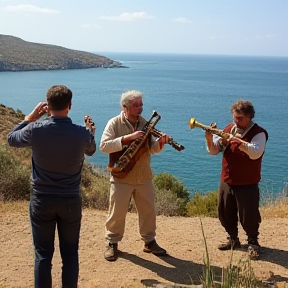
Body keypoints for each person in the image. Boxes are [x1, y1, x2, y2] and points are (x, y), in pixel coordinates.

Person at [7, 85, 96, 288]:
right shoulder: (81, 133)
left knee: (43, 255)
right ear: (69, 105)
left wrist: (30, 116)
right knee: (70, 254)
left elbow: (12, 139)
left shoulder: (35, 130)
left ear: (47, 107)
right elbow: (90, 150)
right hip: (70, 201)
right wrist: (90, 132)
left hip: (42, 200)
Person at [100, 90, 170, 262]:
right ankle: (112, 243)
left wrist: (160, 143)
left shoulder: (145, 123)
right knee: (117, 212)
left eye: (141, 105)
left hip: (144, 176)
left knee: (148, 211)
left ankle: (149, 242)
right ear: (125, 107)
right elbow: (104, 146)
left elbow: (152, 148)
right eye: (136, 105)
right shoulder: (114, 123)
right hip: (122, 176)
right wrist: (126, 138)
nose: (140, 108)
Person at [205, 100, 268, 259]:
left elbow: (255, 153)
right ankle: (233, 239)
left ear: (249, 117)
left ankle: (253, 242)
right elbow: (214, 151)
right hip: (227, 179)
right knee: (225, 212)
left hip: (247, 182)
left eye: (240, 118)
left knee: (249, 215)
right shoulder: (229, 128)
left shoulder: (259, 133)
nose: (236, 122)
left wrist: (237, 141)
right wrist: (209, 137)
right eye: (235, 118)